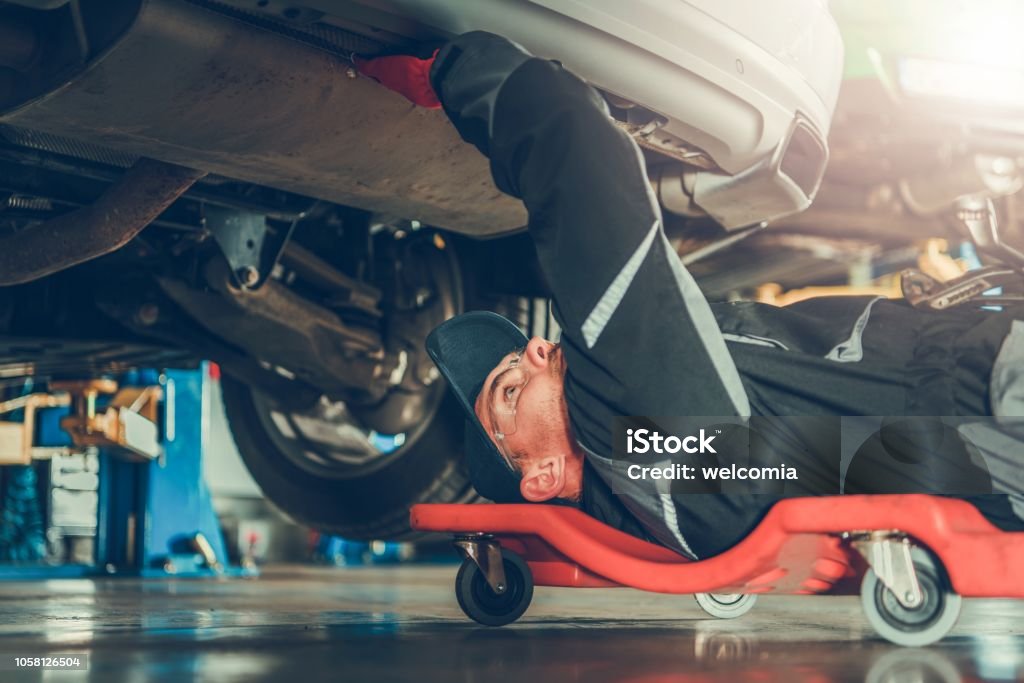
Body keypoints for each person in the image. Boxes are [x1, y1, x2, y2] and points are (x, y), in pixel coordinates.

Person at [359, 32, 1024, 559]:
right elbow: (577, 150)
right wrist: (452, 68)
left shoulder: (671, 488)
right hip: (994, 397)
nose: (534, 348)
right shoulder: (636, 435)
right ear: (542, 475)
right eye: (511, 388)